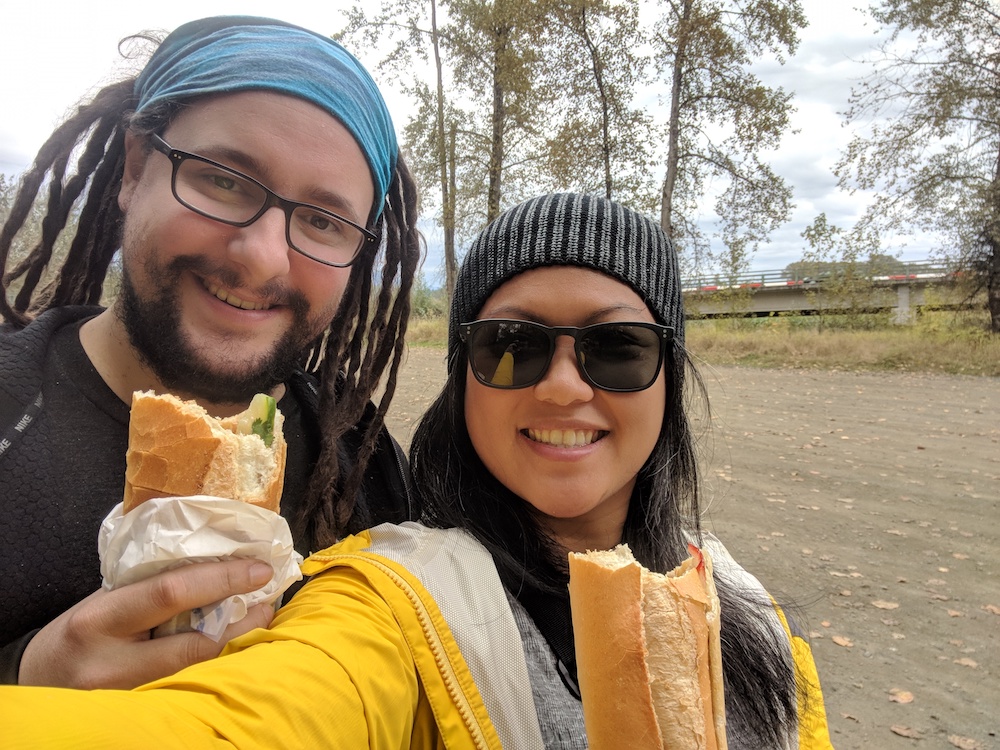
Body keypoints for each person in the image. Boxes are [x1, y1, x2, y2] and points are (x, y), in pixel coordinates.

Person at [0, 193, 833, 749]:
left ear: (669, 377)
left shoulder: (745, 610)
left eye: (618, 347)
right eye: (513, 345)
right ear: (463, 377)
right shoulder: (393, 602)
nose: (564, 386)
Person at [0, 16, 421, 689]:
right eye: (224, 180)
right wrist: (22, 682)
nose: (261, 259)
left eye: (322, 221)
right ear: (136, 169)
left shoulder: (364, 468)